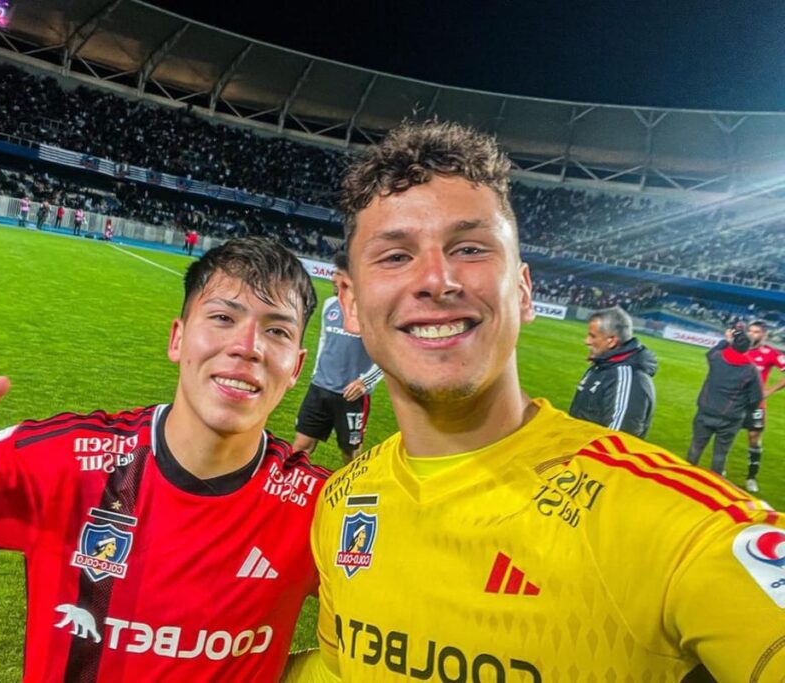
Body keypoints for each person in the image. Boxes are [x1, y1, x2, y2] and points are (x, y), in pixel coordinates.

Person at [285, 121, 785, 682]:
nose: (436, 279)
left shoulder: (669, 524)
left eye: (469, 248)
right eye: (395, 255)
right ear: (348, 303)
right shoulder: (344, 500)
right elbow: (338, 667)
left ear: (523, 292)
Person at [0, 237, 329, 682]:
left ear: (296, 368)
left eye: (278, 332)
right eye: (223, 318)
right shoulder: (69, 459)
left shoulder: (323, 508)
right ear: (178, 338)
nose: (247, 347)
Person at [293, 251, 383, 463]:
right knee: (300, 447)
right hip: (319, 389)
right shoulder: (329, 305)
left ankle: (348, 493)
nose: (333, 278)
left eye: (339, 273)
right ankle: (292, 492)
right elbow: (324, 341)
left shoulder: (373, 313)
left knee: (349, 455)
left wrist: (364, 382)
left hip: (351, 397)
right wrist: (316, 374)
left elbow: (388, 357)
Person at [686, 324, 765, 478]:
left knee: (695, 447)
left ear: (732, 343)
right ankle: (714, 487)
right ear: (749, 348)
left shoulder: (717, 358)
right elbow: (756, 398)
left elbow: (710, 353)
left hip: (706, 412)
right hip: (730, 418)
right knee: (720, 454)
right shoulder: (751, 370)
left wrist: (726, 341)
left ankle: (685, 480)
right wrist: (742, 410)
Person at [568, 306, 657, 438]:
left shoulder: (628, 378)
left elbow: (617, 440)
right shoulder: (601, 366)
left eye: (593, 336)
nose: (587, 341)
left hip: (592, 457)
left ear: (611, 341)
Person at [742, 320, 785, 492]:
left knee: (754, 438)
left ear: (764, 335)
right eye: (750, 331)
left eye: (756, 332)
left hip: (756, 404)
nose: (752, 334)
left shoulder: (771, 353)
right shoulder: (740, 349)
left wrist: (769, 390)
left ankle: (751, 477)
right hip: (734, 401)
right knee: (726, 434)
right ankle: (719, 469)